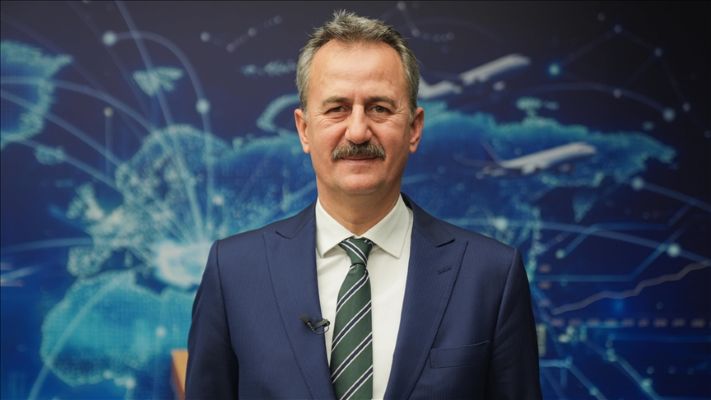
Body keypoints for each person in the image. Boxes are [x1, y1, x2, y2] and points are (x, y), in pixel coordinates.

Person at [186, 10, 541, 400]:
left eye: (379, 108)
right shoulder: (233, 272)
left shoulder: (491, 276)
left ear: (414, 129)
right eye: (337, 108)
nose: (357, 131)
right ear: (304, 129)